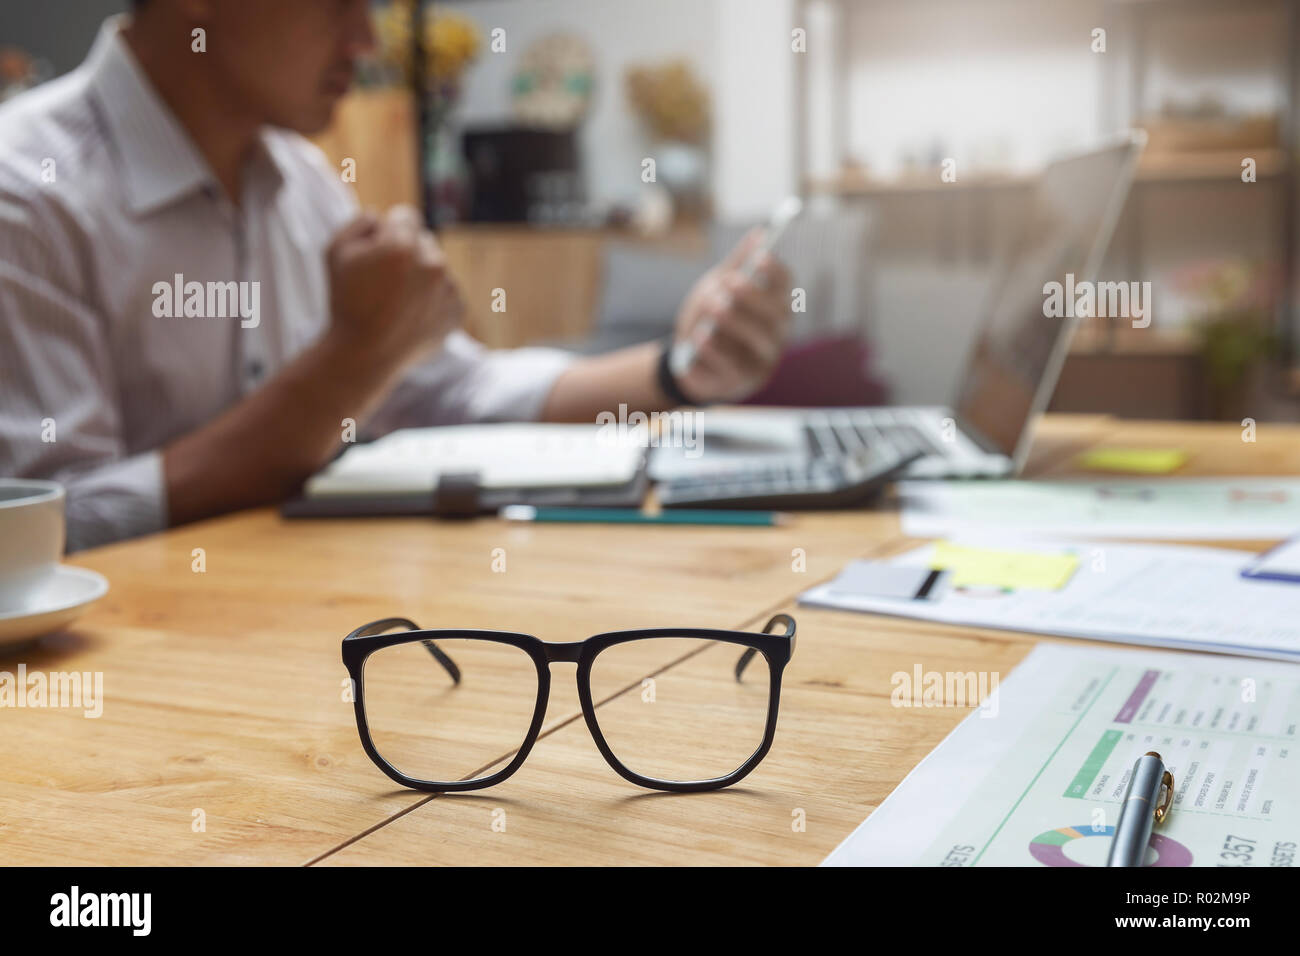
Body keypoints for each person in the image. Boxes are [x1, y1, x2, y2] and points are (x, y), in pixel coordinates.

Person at [0, 1, 791, 550]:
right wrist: (355, 355)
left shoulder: (299, 176)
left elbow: (455, 391)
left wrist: (678, 371)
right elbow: (57, 527)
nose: (367, 39)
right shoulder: (26, 191)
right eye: (339, 2)